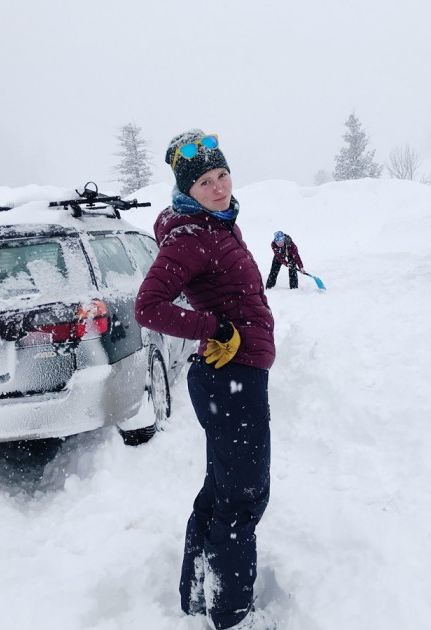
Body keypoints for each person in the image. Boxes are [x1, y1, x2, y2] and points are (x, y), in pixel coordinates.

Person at [134, 129, 275, 630]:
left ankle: (197, 594)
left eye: (222, 175)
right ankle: (232, 615)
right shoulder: (193, 237)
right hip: (229, 377)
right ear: (186, 191)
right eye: (205, 182)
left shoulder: (216, 226)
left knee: (222, 490)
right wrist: (214, 326)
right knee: (242, 497)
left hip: (231, 378)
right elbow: (147, 307)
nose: (218, 187)